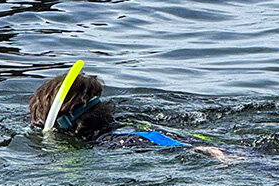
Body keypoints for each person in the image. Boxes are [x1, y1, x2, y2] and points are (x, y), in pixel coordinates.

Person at [28, 66, 229, 159]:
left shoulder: (114, 143)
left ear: (62, 123)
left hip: (212, 154)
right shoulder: (132, 126)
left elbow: (194, 150)